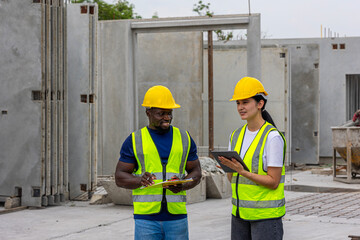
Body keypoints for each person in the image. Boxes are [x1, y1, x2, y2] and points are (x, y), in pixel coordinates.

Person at [115, 85, 202, 240]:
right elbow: (120, 177)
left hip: (177, 218)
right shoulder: (135, 140)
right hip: (146, 219)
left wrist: (184, 184)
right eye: (161, 113)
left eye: (169, 113)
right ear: (148, 113)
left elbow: (196, 173)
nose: (167, 117)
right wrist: (139, 180)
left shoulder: (184, 138)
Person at [218, 77, 286, 240]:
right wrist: (228, 168)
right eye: (238, 103)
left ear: (260, 104)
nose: (240, 107)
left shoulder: (272, 137)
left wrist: (242, 171)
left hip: (266, 218)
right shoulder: (235, 136)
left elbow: (273, 181)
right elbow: (233, 179)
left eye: (245, 102)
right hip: (240, 215)